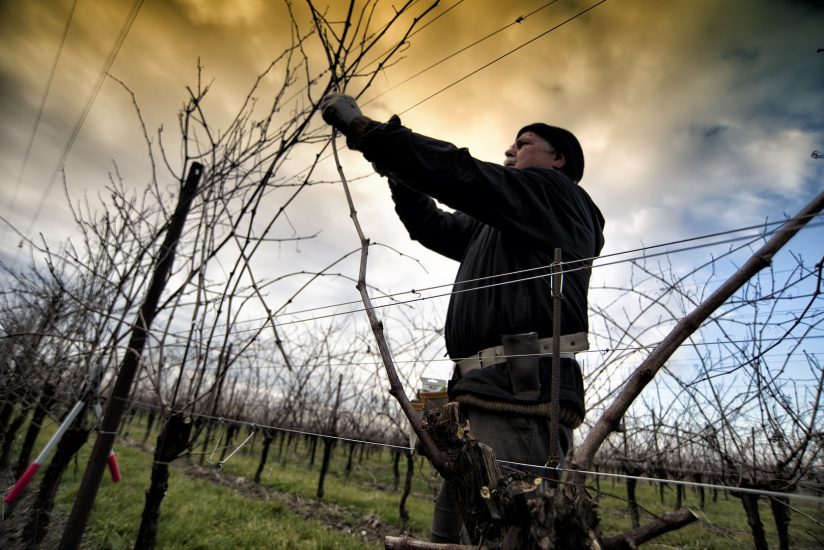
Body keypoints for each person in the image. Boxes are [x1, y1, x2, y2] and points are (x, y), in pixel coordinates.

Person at [320, 93, 605, 543]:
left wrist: (371, 134)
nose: (509, 150)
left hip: (518, 400)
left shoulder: (559, 197)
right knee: (449, 534)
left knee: (503, 535)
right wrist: (399, 171)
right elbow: (430, 225)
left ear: (559, 160)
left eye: (523, 143)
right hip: (471, 394)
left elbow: (464, 175)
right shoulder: (494, 225)